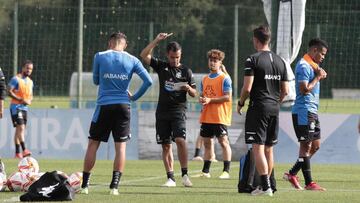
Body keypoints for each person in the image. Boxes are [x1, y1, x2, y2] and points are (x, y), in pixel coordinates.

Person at [80, 32, 153, 195]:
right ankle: (114, 187)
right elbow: (149, 81)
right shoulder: (133, 59)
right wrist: (134, 97)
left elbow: (96, 81)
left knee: (93, 144)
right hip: (123, 106)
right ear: (124, 45)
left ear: (109, 43)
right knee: (120, 147)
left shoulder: (100, 56)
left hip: (104, 105)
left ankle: (85, 186)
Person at [237, 25, 289, 196]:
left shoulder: (253, 59)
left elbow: (247, 87)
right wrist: (275, 102)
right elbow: (286, 91)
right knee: (269, 148)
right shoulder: (281, 61)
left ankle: (265, 187)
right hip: (274, 108)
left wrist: (241, 102)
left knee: (257, 147)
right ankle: (266, 186)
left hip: (258, 107)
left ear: (255, 40)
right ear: (269, 40)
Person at [140, 33, 196, 187]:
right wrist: (157, 40)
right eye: (172, 57)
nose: (175, 60)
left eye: (177, 57)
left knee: (180, 140)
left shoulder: (186, 71)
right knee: (166, 145)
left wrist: (188, 88)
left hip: (178, 111)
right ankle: (171, 178)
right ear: (167, 55)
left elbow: (194, 93)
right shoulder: (161, 66)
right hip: (162, 112)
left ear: (180, 55)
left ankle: (185, 175)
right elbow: (144, 55)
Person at [283, 38, 328, 191]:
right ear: (314, 50)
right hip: (303, 111)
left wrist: (317, 72)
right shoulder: (303, 66)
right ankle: (309, 183)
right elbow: (303, 89)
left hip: (312, 111)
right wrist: (318, 77)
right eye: (322, 54)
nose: (323, 57)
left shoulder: (312, 65)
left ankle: (292, 173)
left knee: (315, 146)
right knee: (306, 146)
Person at [198, 49, 232, 179]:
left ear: (220, 62)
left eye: (215, 61)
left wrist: (210, 100)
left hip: (220, 117)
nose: (212, 63)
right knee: (207, 144)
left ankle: (226, 171)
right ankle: (206, 172)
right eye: (211, 60)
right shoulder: (204, 79)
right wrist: (201, 99)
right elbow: (202, 96)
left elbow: (227, 97)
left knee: (224, 143)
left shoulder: (225, 78)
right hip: (207, 116)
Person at [8, 60, 34, 159]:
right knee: (21, 128)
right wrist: (20, 99)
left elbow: (31, 96)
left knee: (19, 130)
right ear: (23, 68)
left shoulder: (30, 82)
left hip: (24, 108)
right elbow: (9, 91)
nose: (29, 70)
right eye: (27, 68)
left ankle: (17, 153)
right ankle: (24, 150)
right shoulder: (16, 79)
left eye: (31, 69)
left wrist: (29, 100)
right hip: (16, 107)